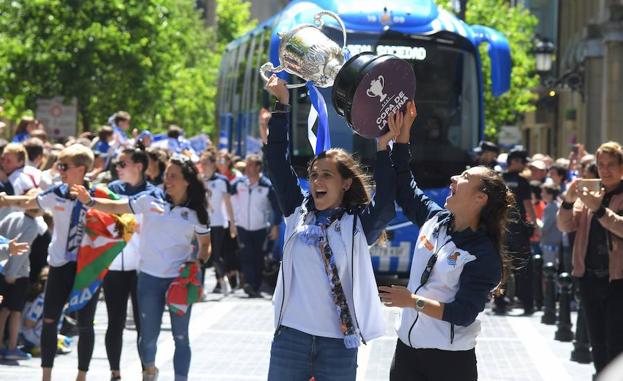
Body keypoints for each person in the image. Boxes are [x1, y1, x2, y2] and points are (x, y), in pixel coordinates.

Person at [263, 76, 396, 380]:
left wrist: (385, 147)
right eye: (313, 175)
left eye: (326, 176)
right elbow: (277, 162)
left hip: (338, 344)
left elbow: (386, 203)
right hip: (291, 338)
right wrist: (281, 106)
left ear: (346, 183)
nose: (317, 182)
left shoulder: (356, 225)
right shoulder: (297, 213)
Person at [378, 102, 513, 381]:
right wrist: (402, 136)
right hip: (407, 352)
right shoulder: (435, 219)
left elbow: (462, 313)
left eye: (464, 177)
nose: (454, 178)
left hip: (449, 362)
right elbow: (405, 187)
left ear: (480, 199)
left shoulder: (482, 254)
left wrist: (411, 301)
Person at [70, 155, 211, 381]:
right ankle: (150, 371)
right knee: (148, 338)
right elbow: (117, 206)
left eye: (174, 176)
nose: (168, 180)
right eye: (167, 175)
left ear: (187, 181)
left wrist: (198, 262)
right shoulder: (150, 199)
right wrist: (89, 201)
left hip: (180, 281)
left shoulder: (197, 212)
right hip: (149, 279)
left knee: (181, 337)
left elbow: (205, 245)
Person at [0, 144, 100, 381]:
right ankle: (46, 375)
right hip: (59, 265)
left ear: (81, 169)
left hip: (86, 267)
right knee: (49, 319)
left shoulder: (97, 197)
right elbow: (29, 203)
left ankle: (81, 376)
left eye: (65, 166)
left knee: (86, 324)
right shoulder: (56, 193)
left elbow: (116, 219)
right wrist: (5, 201)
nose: (60, 170)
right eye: (59, 166)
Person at [557, 141, 623, 377]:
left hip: (618, 281)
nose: (605, 170)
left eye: (611, 165)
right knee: (598, 341)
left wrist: (600, 210)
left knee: (616, 342)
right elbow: (564, 225)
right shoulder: (593, 194)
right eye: (600, 164)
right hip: (589, 278)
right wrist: (568, 199)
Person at [103, 147, 155, 381]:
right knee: (115, 321)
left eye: (123, 164)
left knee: (144, 324)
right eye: (117, 164)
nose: (117, 168)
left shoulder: (153, 193)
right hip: (114, 267)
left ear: (139, 166)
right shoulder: (112, 190)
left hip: (142, 268)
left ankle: (147, 369)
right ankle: (115, 372)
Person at [0, 189, 45, 361]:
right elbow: (21, 252)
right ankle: (12, 346)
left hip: (3, 268)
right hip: (17, 273)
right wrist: (11, 274)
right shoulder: (32, 226)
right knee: (15, 311)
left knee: (3, 311)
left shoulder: (12, 217)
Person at [230, 153, 282, 297]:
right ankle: (249, 284)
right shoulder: (239, 184)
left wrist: (275, 225)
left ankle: (256, 285)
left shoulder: (267, 186)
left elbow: (277, 207)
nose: (247, 168)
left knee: (258, 256)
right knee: (246, 255)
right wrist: (232, 221)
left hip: (260, 227)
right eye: (246, 165)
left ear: (258, 167)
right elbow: (228, 197)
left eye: (251, 165)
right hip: (242, 226)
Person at [494, 146, 537, 315]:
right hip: (518, 230)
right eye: (523, 162)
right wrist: (534, 223)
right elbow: (528, 205)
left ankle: (500, 303)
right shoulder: (522, 181)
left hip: (500, 229)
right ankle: (527, 303)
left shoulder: (498, 179)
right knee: (523, 268)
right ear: (514, 162)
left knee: (501, 268)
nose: (524, 165)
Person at [199, 149, 237, 295]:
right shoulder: (199, 180)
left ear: (213, 164)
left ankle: (222, 281)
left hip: (218, 222)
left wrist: (232, 223)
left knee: (215, 255)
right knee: (201, 255)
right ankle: (200, 289)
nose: (203, 166)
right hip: (202, 222)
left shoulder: (222, 181)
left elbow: (228, 203)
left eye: (206, 163)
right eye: (202, 163)